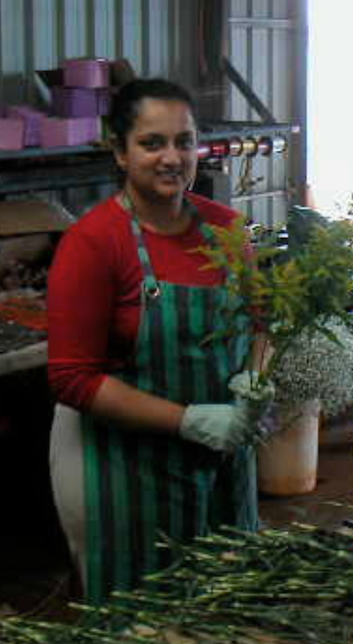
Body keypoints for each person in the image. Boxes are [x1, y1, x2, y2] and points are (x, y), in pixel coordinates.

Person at [46, 78, 264, 603]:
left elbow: (262, 324)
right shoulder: (93, 243)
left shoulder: (229, 231)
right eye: (152, 143)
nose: (173, 157)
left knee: (227, 606)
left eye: (184, 141)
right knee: (145, 613)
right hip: (133, 473)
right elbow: (72, 379)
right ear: (119, 152)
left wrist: (257, 379)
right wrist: (189, 420)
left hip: (225, 464)